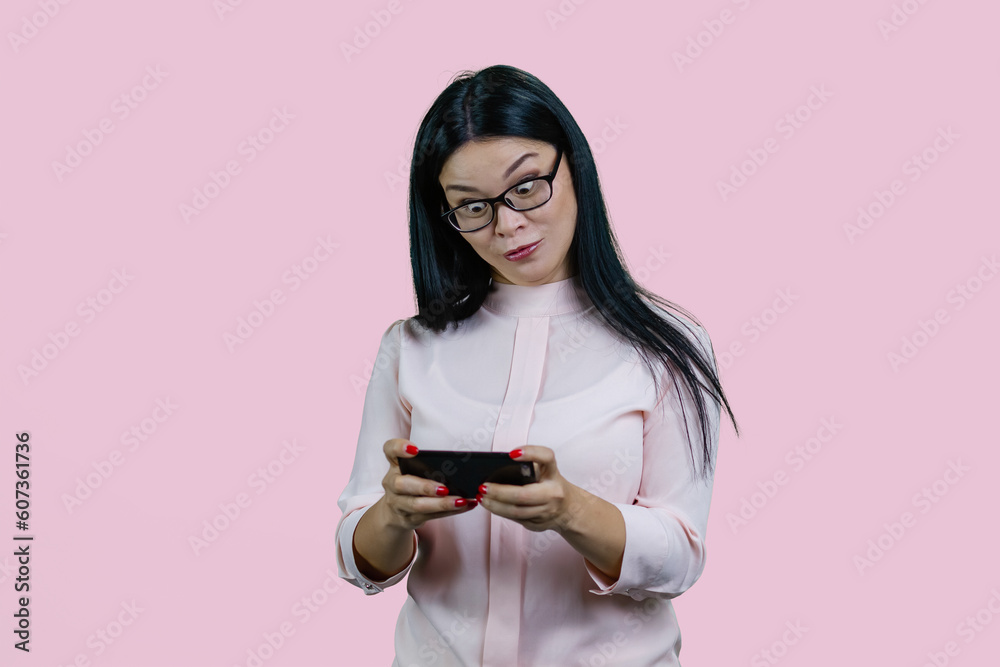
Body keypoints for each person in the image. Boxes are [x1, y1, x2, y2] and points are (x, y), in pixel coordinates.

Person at [336, 64, 739, 667]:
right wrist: (393, 512)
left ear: (573, 164)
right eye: (471, 207)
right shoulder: (411, 347)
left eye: (525, 187)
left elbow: (680, 558)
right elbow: (357, 559)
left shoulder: (667, 345)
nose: (507, 225)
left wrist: (568, 511)